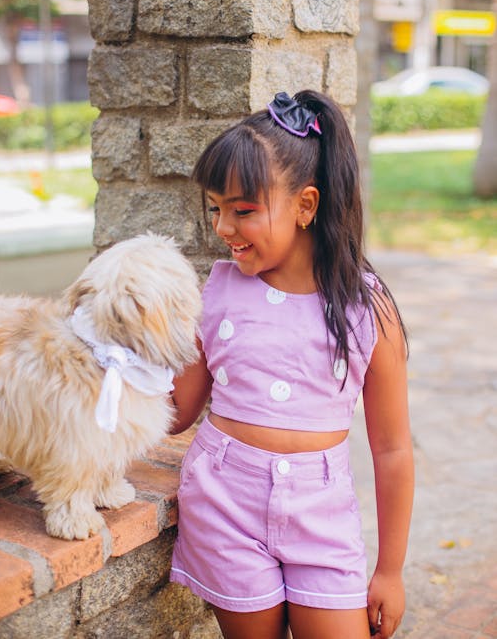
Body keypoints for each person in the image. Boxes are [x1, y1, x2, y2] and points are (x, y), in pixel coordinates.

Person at [169, 89, 414, 639]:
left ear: (305, 206)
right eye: (216, 208)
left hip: (322, 520)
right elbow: (177, 410)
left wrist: (391, 570)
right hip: (223, 507)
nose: (223, 227)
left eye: (244, 210)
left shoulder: (367, 310)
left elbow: (393, 448)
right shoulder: (215, 293)